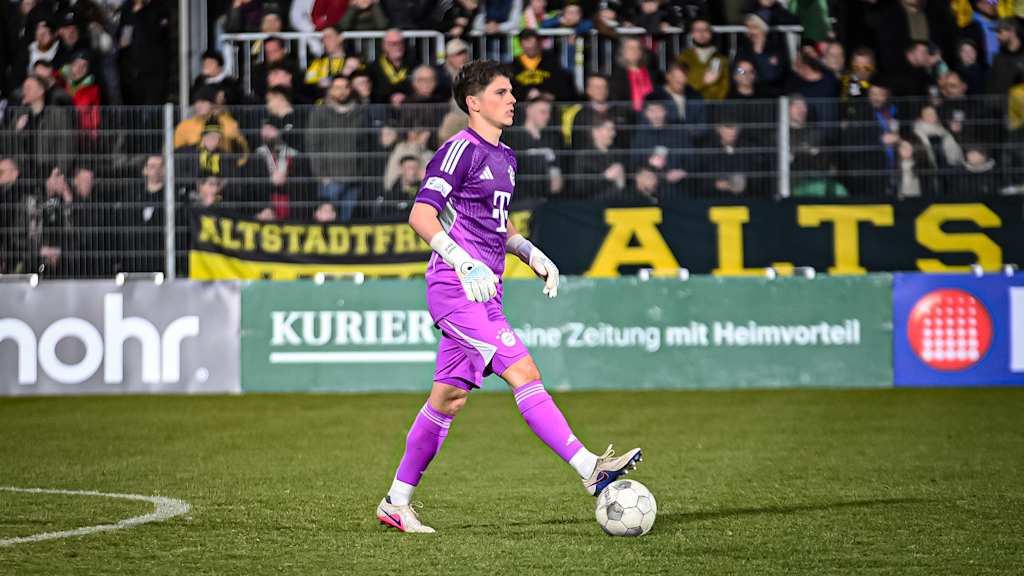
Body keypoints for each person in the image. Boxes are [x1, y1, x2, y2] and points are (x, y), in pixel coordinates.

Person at [375, 60, 643, 534]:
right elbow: (421, 215)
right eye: (501, 92)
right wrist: (462, 261)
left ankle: (396, 502)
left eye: (511, 92)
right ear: (474, 102)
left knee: (448, 399)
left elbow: (498, 223)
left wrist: (530, 252)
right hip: (456, 288)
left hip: (487, 292)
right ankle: (590, 469)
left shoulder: (506, 157)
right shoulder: (459, 149)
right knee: (524, 370)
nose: (512, 99)